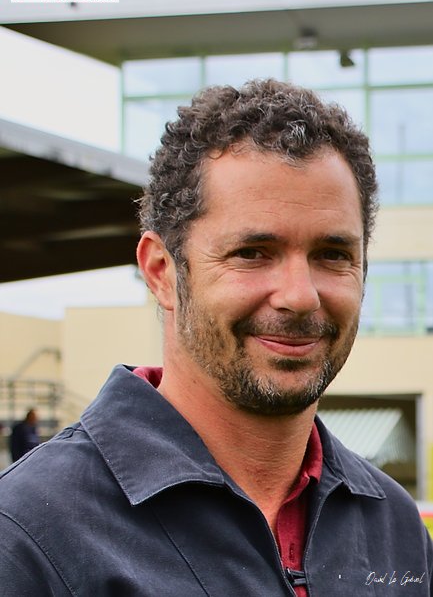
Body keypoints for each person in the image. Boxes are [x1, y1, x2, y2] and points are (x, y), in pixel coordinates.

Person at [0, 79, 431, 595]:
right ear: (162, 271)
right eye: (252, 252)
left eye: (332, 255)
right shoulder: (28, 534)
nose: (300, 296)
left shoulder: (396, 527)